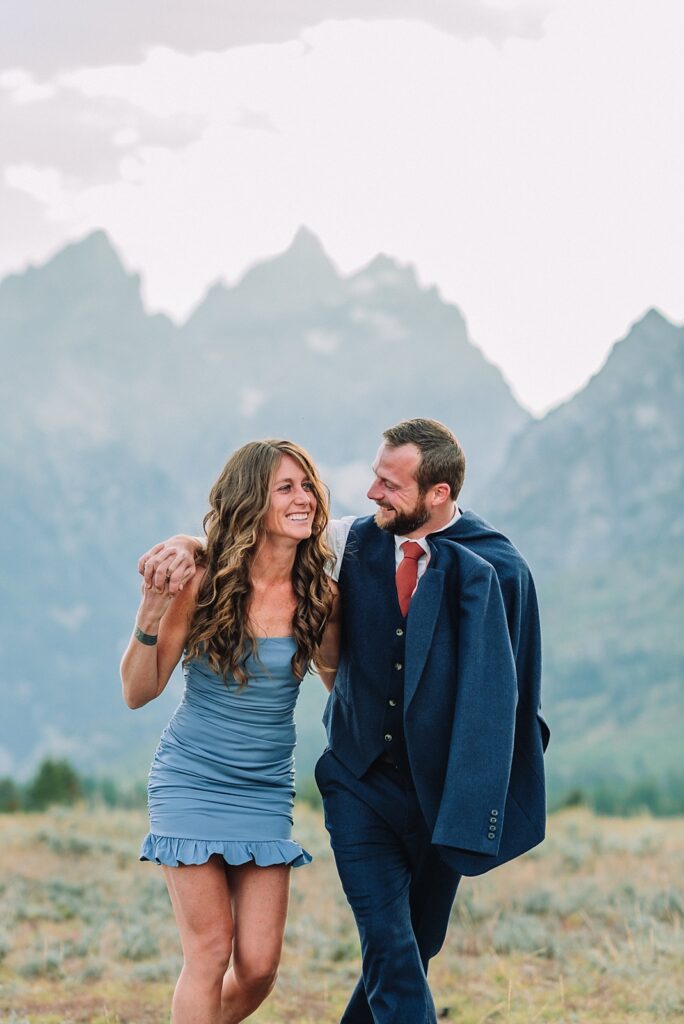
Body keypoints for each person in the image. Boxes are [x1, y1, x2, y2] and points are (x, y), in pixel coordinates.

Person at [141, 418, 549, 1024]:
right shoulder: (359, 542)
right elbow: (258, 538)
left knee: (412, 949)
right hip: (358, 784)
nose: (372, 494)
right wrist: (187, 544)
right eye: (375, 478)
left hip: (442, 796)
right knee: (385, 945)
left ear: (437, 494)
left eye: (389, 483)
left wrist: (492, 799)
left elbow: (513, 696)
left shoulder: (499, 569)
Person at [121, 439, 339, 1024]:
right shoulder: (203, 582)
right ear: (251, 502)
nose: (304, 498)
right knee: (210, 951)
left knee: (261, 966)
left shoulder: (321, 596)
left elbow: (344, 688)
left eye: (308, 486)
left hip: (265, 788)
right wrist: (148, 615)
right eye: (285, 487)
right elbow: (138, 692)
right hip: (191, 780)